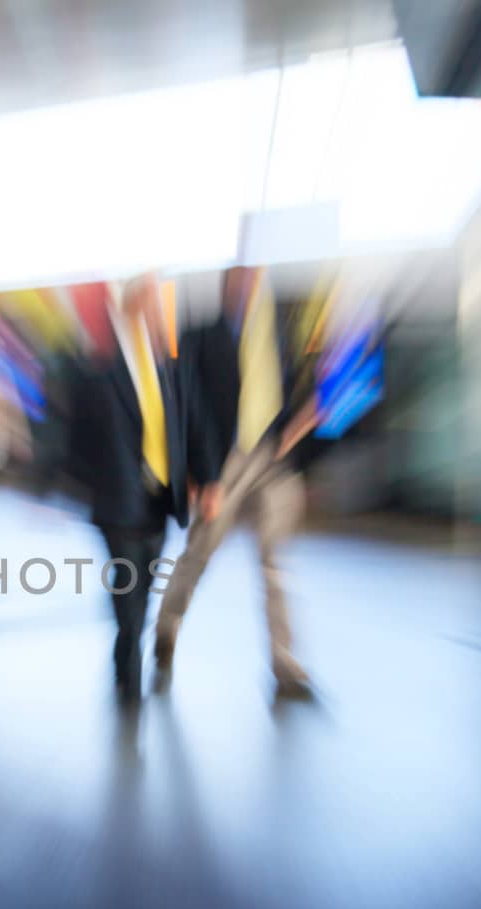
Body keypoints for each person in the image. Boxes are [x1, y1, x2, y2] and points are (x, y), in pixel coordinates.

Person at [155, 266, 319, 698]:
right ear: (227, 285)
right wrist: (201, 475)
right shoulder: (202, 337)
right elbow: (191, 412)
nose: (248, 284)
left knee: (275, 562)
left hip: (274, 458)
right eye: (240, 277)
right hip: (225, 461)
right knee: (201, 550)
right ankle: (167, 627)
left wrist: (299, 433)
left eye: (256, 276)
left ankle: (284, 662)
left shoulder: (281, 335)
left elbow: (298, 393)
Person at [67, 276, 191, 706]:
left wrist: (185, 477)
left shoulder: (162, 362)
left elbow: (174, 424)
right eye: (155, 302)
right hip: (118, 496)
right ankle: (129, 663)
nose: (162, 311)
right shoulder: (101, 359)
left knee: (145, 580)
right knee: (128, 579)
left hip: (159, 495)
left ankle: (126, 650)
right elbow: (76, 431)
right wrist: (91, 482)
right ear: (137, 304)